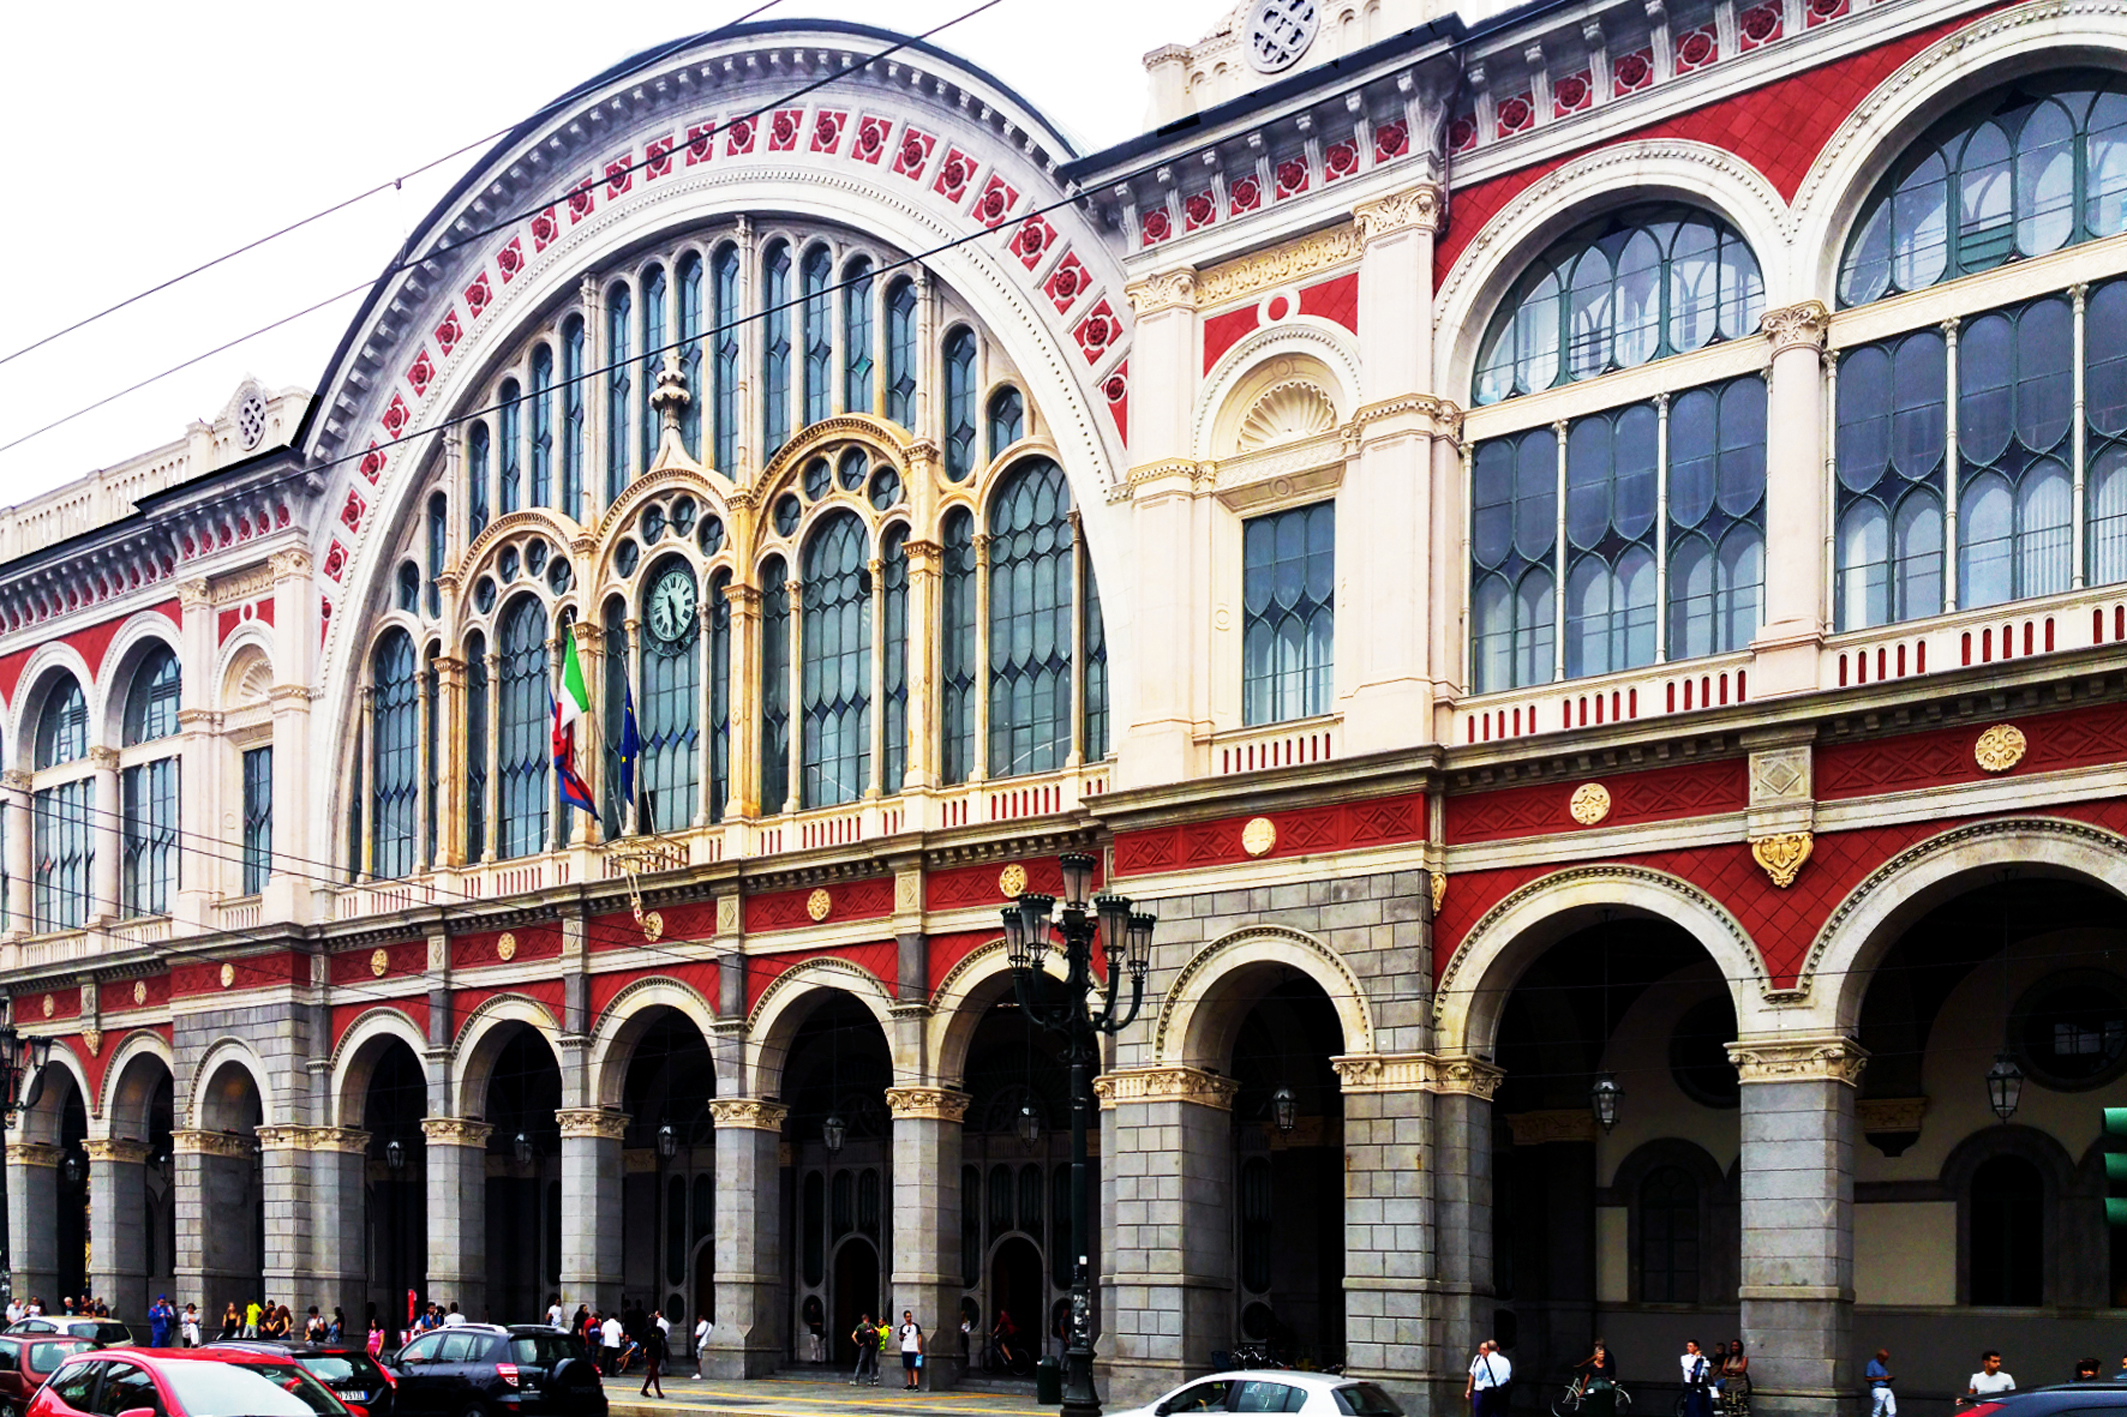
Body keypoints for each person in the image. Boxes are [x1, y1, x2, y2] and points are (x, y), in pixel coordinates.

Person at [1574, 1339, 1619, 1417]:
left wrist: (1580, 1365)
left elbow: (1590, 1361)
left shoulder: (1601, 1355)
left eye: (1596, 1345)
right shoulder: (1603, 1356)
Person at [1465, 1339, 1510, 1417]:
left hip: (1489, 1391)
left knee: (1485, 1413)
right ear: (1497, 1349)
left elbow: (1479, 1377)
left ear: (1487, 1349)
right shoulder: (1505, 1361)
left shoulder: (1484, 1362)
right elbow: (1508, 1375)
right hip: (1503, 1391)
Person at [1680, 1341, 1714, 1417]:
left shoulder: (1702, 1358)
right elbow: (1689, 1367)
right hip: (1689, 1383)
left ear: (1696, 1348)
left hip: (1700, 1383)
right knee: (1690, 1404)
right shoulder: (1684, 1358)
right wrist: (1695, 1357)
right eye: (1688, 1346)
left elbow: (1705, 1369)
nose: (1688, 1348)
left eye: (1690, 1346)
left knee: (1700, 1404)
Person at [639, 1313, 668, 1399]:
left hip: (658, 1353)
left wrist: (667, 1351)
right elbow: (643, 1344)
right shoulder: (646, 1332)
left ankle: (644, 1389)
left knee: (652, 1372)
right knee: (655, 1372)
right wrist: (643, 1353)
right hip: (650, 1353)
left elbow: (664, 1341)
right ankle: (658, 1391)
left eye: (654, 1320)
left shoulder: (660, 1330)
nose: (653, 1322)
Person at [1722, 1340, 1750, 1417]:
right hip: (1729, 1386)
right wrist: (1733, 1373)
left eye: (1736, 1346)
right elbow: (1723, 1371)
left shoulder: (1743, 1358)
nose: (1734, 1347)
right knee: (1729, 1408)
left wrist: (1730, 1371)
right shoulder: (1728, 1359)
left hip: (1740, 1386)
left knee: (1741, 1407)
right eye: (1732, 1346)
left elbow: (1741, 1370)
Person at [898, 1311, 924, 1391]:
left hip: (914, 1349)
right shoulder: (903, 1327)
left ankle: (916, 1384)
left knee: (915, 1367)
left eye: (910, 1316)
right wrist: (902, 1336)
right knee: (907, 1367)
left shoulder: (916, 1326)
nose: (909, 1318)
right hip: (905, 1348)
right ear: (905, 1318)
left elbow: (919, 1337)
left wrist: (919, 1348)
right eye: (907, 1317)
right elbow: (900, 1338)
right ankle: (909, 1383)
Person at [852, 1311, 879, 1386]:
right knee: (871, 1362)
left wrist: (858, 1343)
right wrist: (877, 1339)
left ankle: (855, 1379)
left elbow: (853, 1336)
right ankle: (871, 1380)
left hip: (865, 1346)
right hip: (872, 1346)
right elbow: (878, 1330)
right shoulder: (872, 1325)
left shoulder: (860, 1326)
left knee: (861, 1362)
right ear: (868, 1318)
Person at [1866, 1350, 1896, 1417]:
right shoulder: (1872, 1364)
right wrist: (1882, 1378)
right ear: (1879, 1356)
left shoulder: (1883, 1365)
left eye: (1886, 1359)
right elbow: (1867, 1378)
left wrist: (1888, 1379)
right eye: (1884, 1359)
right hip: (1878, 1388)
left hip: (1887, 1388)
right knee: (1877, 1410)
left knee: (1892, 1411)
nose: (1885, 1361)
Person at [601, 1311, 624, 1377]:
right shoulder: (618, 1324)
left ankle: (603, 1372)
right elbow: (621, 1335)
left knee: (605, 1358)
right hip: (615, 1344)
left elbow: (602, 1333)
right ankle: (612, 1372)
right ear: (616, 1318)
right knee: (613, 1359)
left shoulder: (605, 1324)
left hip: (607, 1343)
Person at [694, 1312, 712, 1378]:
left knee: (700, 1359)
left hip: (701, 1344)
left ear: (699, 1319)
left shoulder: (700, 1325)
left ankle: (699, 1373)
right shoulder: (710, 1325)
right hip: (708, 1344)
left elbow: (697, 1335)